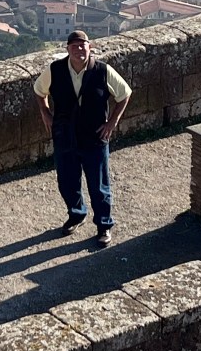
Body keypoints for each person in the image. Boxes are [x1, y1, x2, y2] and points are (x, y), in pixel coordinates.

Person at [34, 29, 131, 247]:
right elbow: (39, 91)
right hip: (65, 135)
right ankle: (76, 214)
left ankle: (104, 225)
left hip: (94, 136)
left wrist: (112, 122)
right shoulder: (55, 70)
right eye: (74, 46)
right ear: (67, 49)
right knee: (67, 181)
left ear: (90, 46)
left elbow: (124, 94)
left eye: (82, 45)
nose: (79, 49)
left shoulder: (103, 70)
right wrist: (45, 113)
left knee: (99, 185)